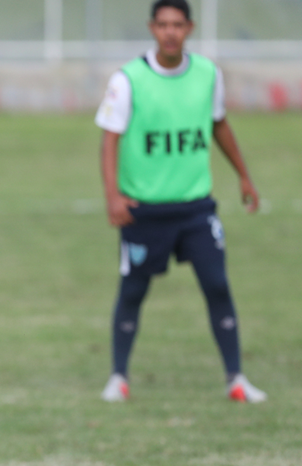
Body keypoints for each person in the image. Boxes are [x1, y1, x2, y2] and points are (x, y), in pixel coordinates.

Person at [96, 0, 266, 403]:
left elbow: (219, 123)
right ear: (151, 28)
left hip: (195, 208)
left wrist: (243, 174)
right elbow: (109, 139)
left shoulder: (208, 74)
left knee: (217, 285)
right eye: (162, 25)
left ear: (189, 28)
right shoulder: (128, 80)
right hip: (144, 210)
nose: (170, 32)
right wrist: (112, 196)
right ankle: (118, 378)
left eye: (177, 25)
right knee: (133, 291)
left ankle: (236, 379)